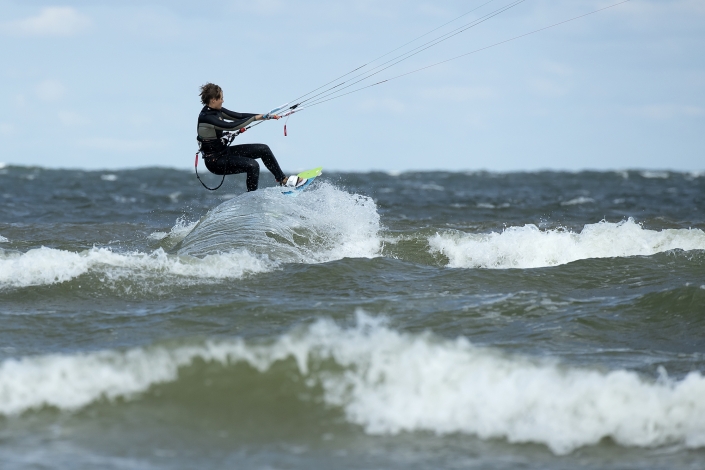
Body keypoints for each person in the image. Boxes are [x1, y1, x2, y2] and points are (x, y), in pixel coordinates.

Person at [196, 83, 300, 191]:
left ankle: (283, 180)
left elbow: (239, 116)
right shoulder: (206, 117)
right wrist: (255, 118)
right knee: (252, 165)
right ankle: (252, 197)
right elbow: (232, 126)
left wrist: (265, 116)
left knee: (263, 149)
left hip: (224, 152)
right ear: (213, 100)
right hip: (215, 162)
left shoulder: (217, 111)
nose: (223, 100)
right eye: (221, 98)